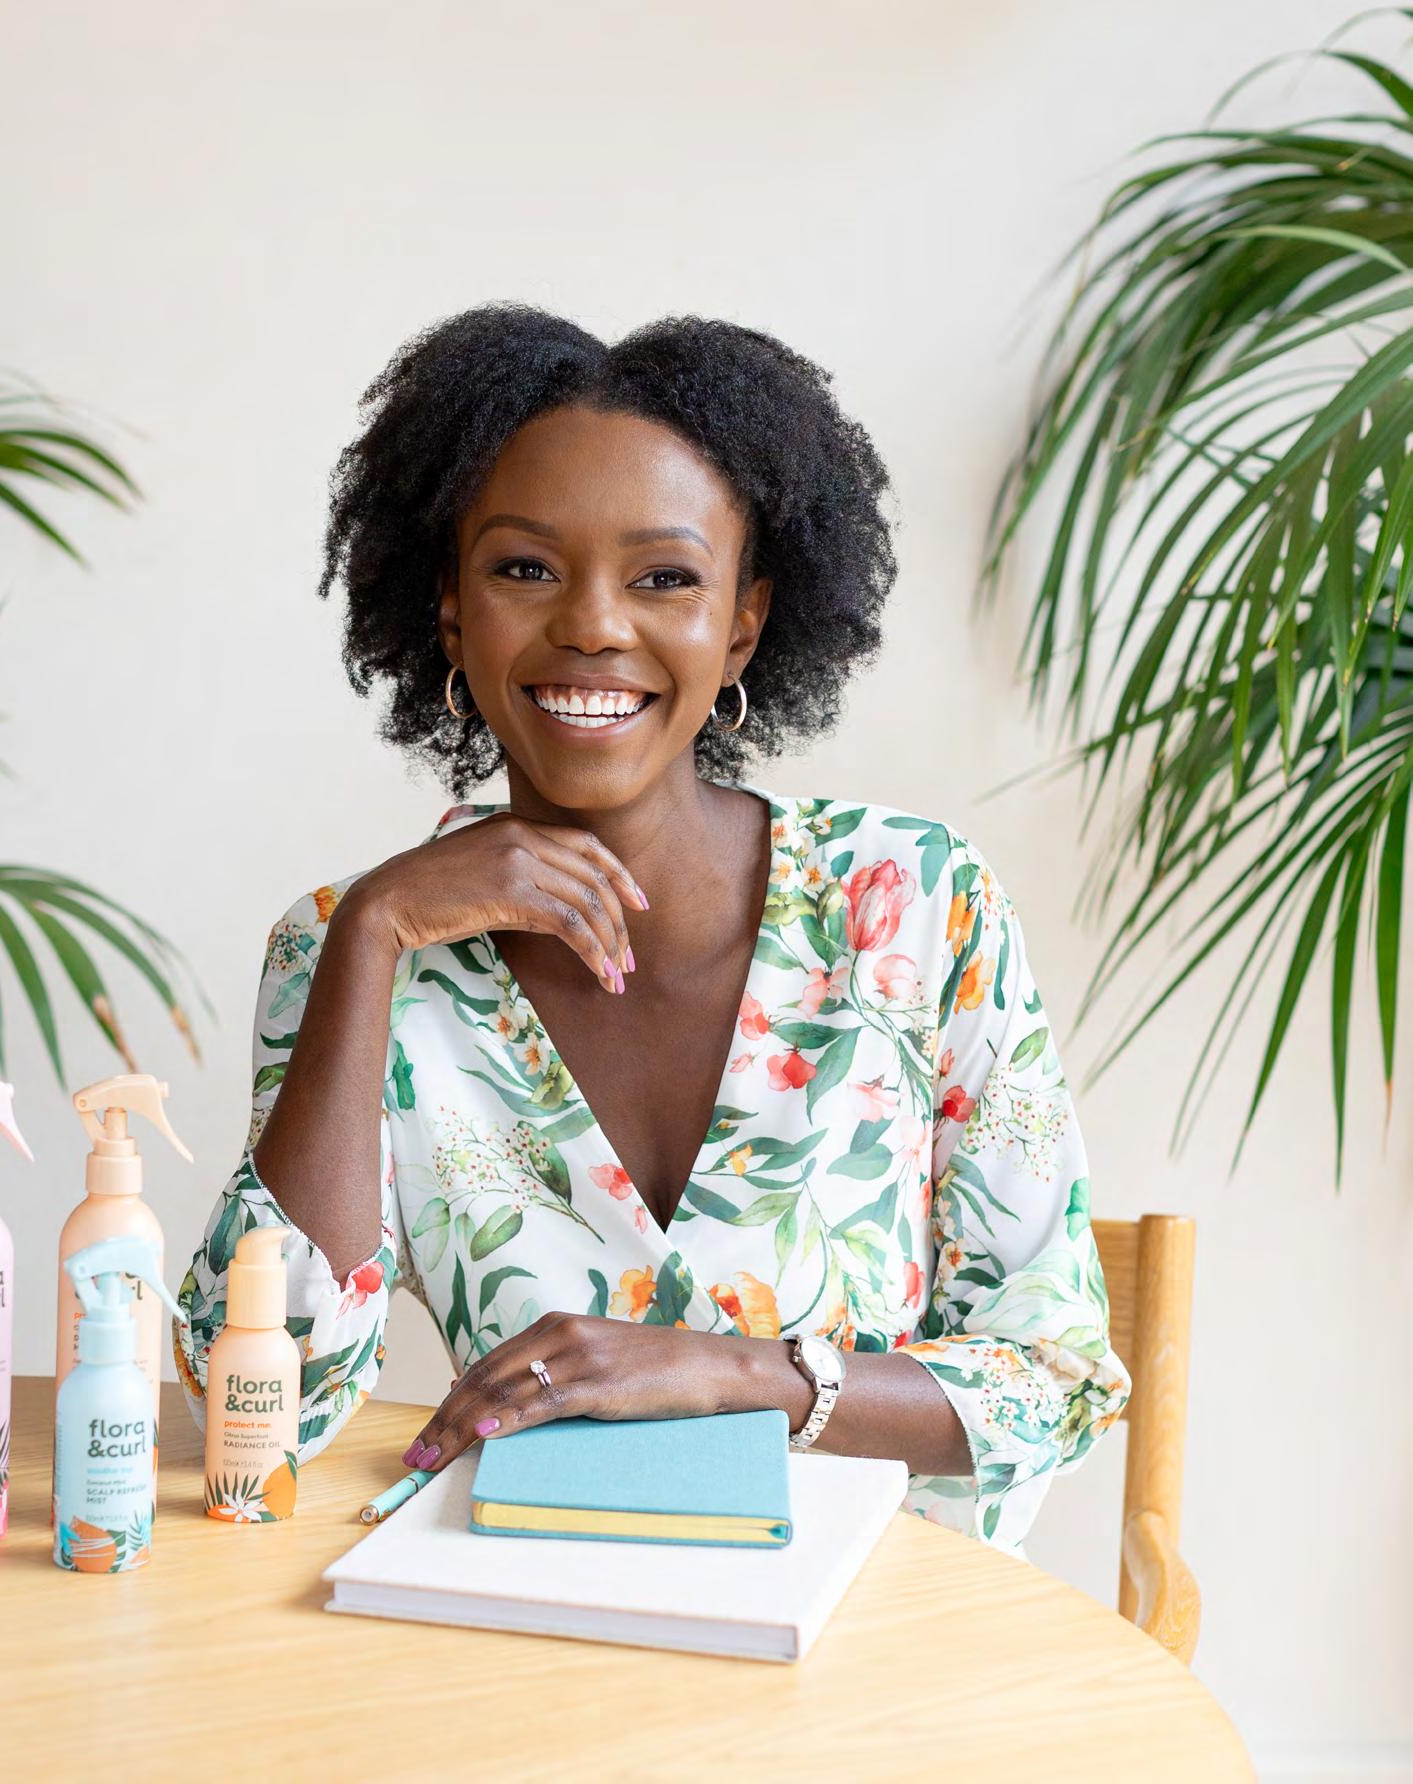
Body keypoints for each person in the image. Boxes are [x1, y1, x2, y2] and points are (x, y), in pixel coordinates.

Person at [172, 303, 1129, 1554]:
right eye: (524, 568)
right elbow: (261, 1409)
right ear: (451, 611)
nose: (592, 623)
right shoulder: (353, 948)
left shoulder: (914, 903)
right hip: (531, 1615)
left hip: (886, 1634)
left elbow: (1055, 1378)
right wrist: (375, 929)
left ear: (742, 622)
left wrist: (735, 1371)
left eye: (664, 577)